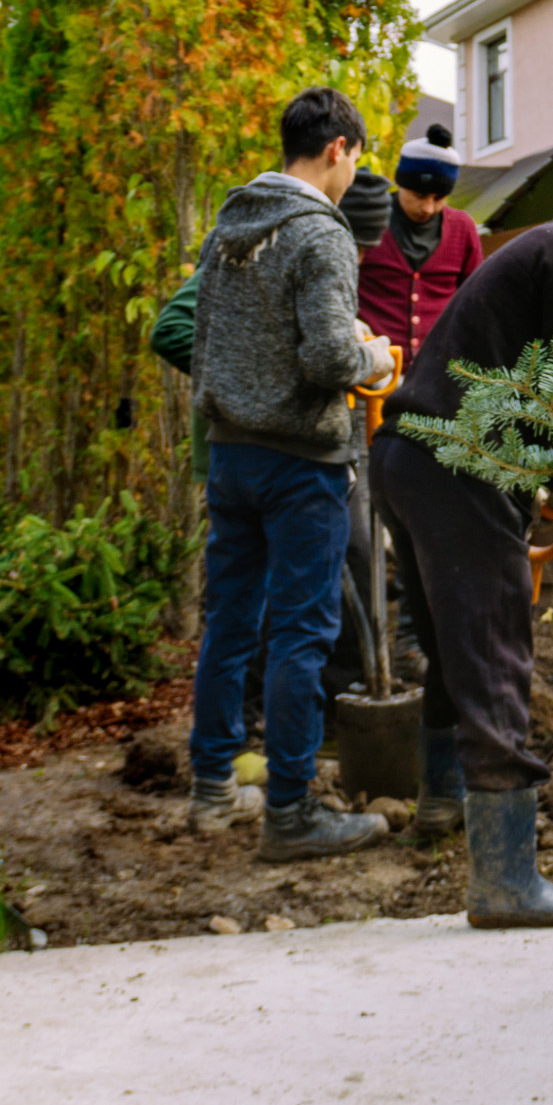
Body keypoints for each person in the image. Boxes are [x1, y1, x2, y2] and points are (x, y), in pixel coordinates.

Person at [370, 159, 553, 928]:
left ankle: (441, 805)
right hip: (453, 467)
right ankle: (504, 882)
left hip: (413, 455)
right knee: (497, 650)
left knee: (451, 644)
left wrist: (537, 489)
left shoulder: (547, 247)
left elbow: (519, 382)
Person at [187, 87, 397, 863]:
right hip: (300, 464)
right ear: (338, 148)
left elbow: (204, 338)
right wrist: (372, 355)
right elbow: (329, 360)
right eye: (357, 160)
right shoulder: (320, 233)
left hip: (232, 455)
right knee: (302, 636)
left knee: (230, 623)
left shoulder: (229, 227)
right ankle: (290, 813)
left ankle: (212, 790)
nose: (354, 177)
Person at [357, 122, 483, 362]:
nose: (428, 207)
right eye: (420, 195)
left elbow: (474, 298)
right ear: (401, 184)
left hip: (437, 369)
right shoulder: (369, 219)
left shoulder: (463, 228)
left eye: (439, 198)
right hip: (374, 370)